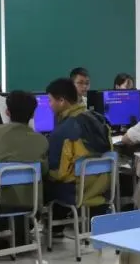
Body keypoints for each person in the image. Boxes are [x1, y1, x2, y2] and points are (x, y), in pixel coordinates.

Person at [45, 77, 112, 206]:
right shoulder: (100, 120)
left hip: (78, 191)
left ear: (61, 101)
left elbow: (58, 173)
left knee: (41, 184)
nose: (49, 104)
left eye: (50, 100)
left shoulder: (63, 131)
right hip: (103, 190)